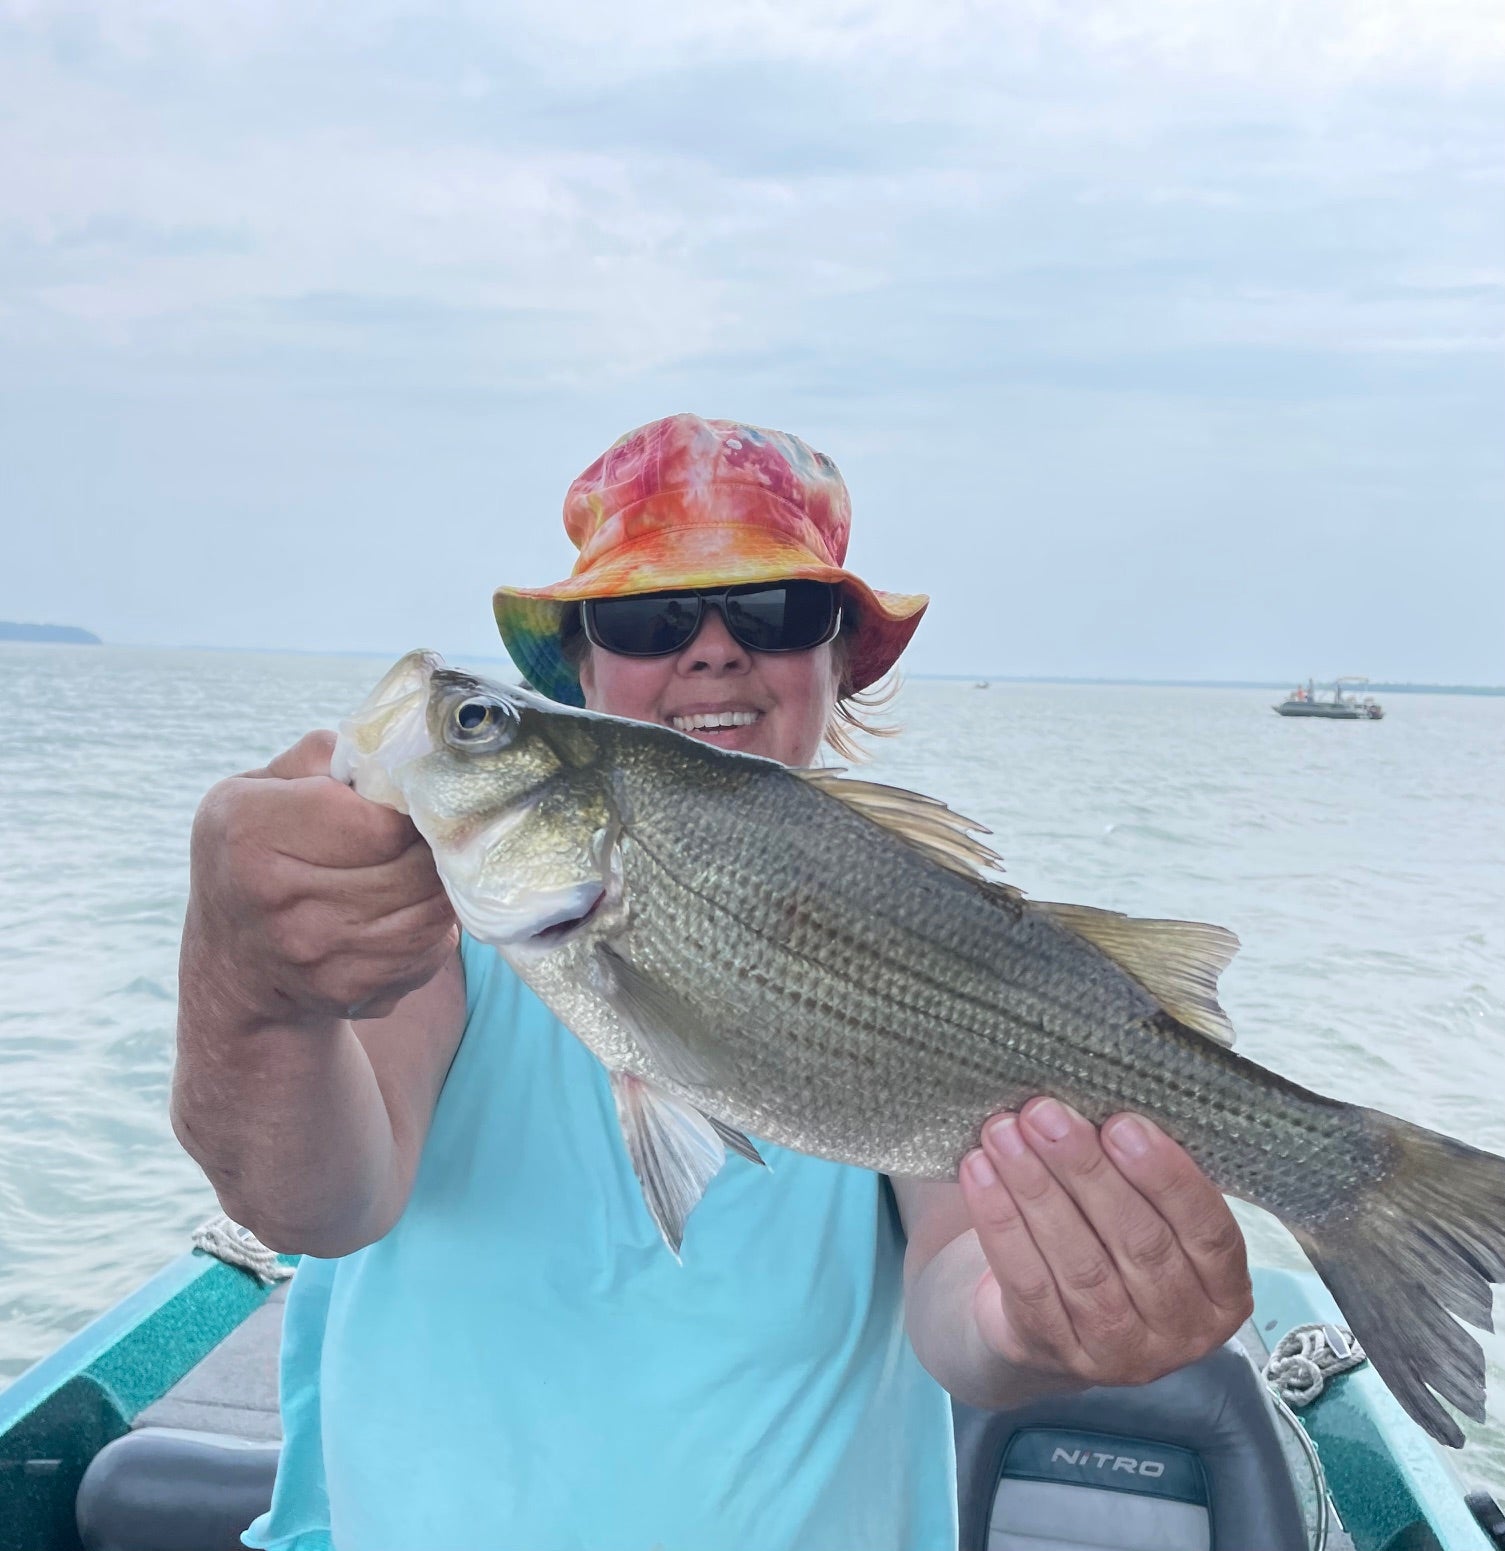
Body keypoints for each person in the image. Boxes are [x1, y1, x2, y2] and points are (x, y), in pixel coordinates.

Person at [173, 413, 1252, 1551]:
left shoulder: (909, 921)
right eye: (649, 616)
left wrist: (1034, 1318)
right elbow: (313, 1204)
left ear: (837, 662)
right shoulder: (424, 921)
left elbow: (958, 1289)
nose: (711, 649)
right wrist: (251, 989)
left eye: (774, 612)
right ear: (582, 669)